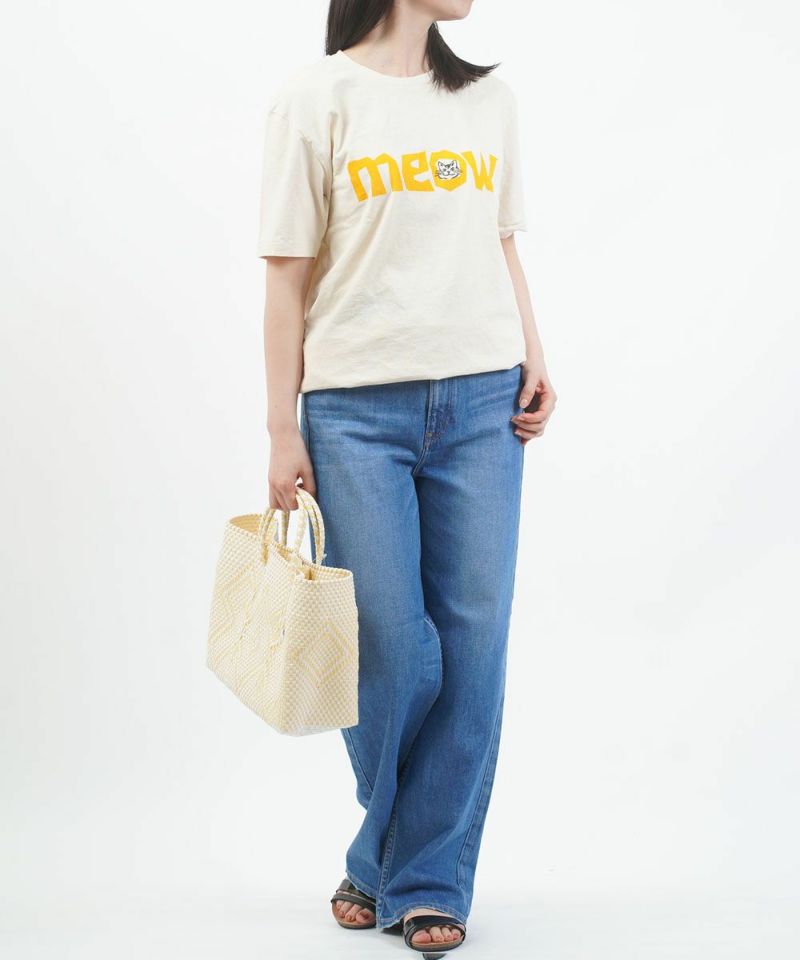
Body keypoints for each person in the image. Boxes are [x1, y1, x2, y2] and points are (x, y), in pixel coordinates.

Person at [257, 1, 556, 954]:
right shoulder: (316, 98)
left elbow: (500, 242)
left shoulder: (489, 101)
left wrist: (536, 352)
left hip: (484, 403)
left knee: (473, 647)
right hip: (354, 412)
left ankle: (423, 881)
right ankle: (388, 853)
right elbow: (285, 277)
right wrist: (282, 428)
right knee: (390, 647)